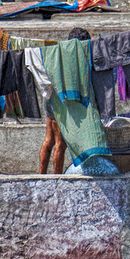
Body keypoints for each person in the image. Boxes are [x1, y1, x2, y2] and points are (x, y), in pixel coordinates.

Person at [39, 26, 91, 175]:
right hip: (58, 100)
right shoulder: (73, 55)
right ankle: (57, 179)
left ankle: (40, 176)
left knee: (49, 140)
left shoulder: (58, 51)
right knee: (60, 143)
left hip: (50, 97)